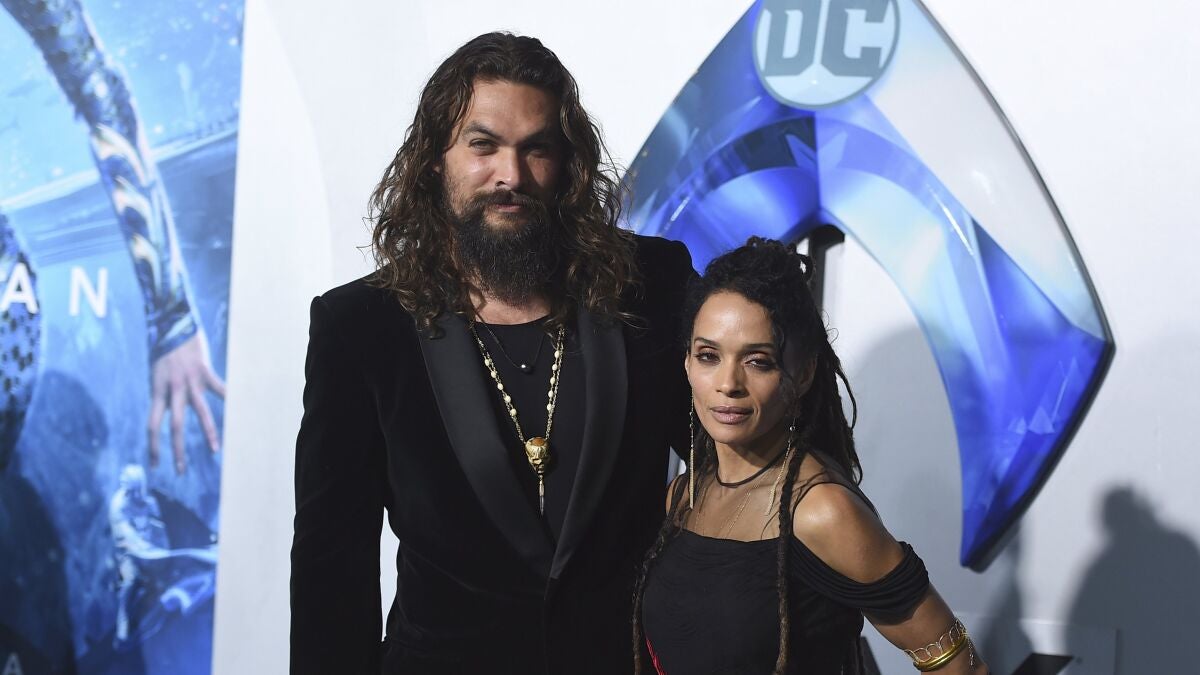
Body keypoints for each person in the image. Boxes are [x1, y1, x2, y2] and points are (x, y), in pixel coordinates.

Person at [290, 32, 694, 673]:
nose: (512, 175)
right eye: (484, 146)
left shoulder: (649, 284)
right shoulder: (362, 325)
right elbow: (332, 562)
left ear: (568, 164)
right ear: (434, 159)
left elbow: (738, 464)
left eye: (537, 148)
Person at [634, 238, 988, 674]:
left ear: (802, 374)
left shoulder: (822, 511)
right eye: (709, 356)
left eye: (758, 361)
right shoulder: (683, 496)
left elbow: (963, 667)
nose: (728, 383)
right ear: (687, 363)